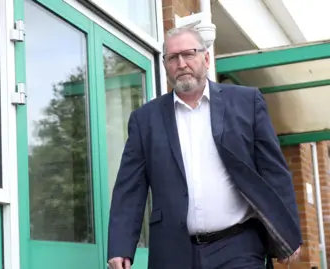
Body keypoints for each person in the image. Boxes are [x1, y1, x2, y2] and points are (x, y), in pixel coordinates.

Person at [106, 27, 302, 269]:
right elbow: (130, 187)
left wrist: (289, 231)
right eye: (172, 57)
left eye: (188, 54)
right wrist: (120, 246)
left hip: (238, 245)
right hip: (173, 251)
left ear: (206, 58)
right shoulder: (145, 119)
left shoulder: (246, 102)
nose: (181, 63)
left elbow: (274, 170)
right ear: (165, 65)